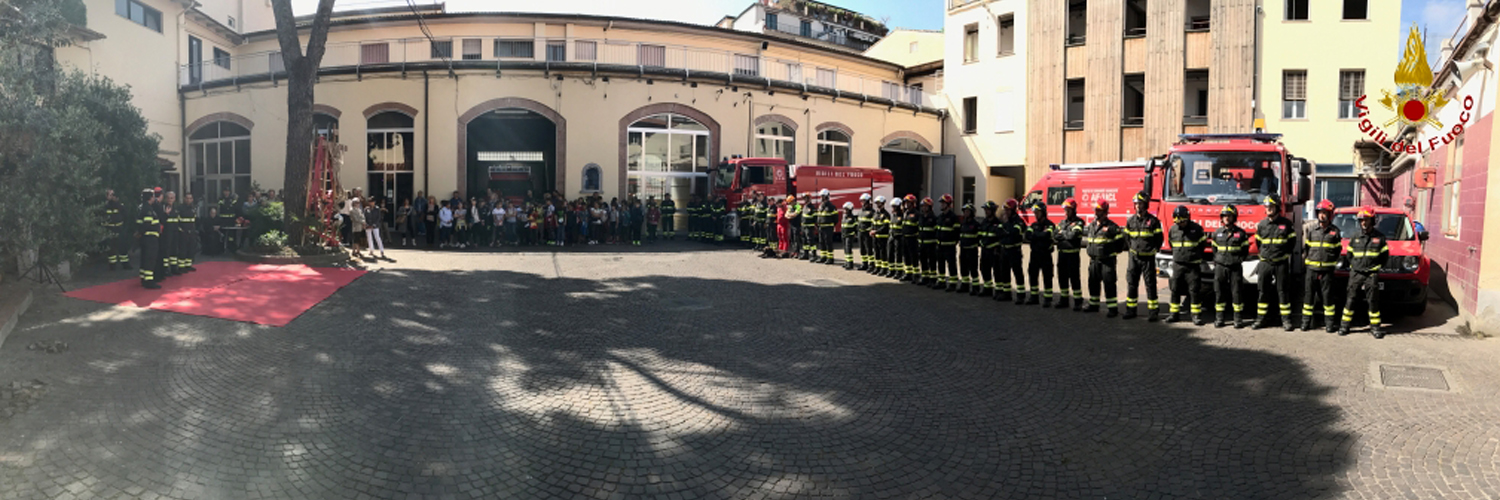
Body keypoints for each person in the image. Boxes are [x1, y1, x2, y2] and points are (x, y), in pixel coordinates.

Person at [1341, 207, 1390, 338]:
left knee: (1373, 301)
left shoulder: (1380, 238)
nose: (1363, 222)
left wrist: (1375, 268)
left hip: (1371, 274)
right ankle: (1344, 326)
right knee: (1350, 299)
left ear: (1372, 220)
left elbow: (1384, 257)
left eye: (1366, 220)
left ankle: (1375, 328)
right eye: (1361, 220)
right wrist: (1355, 266)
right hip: (1356, 273)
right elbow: (1349, 255)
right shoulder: (1355, 237)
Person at [1253, 194, 1297, 331]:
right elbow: (1258, 243)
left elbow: (1292, 242)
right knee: (1262, 292)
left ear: (1277, 207)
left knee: (1283, 291)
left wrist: (1284, 255)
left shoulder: (1286, 224)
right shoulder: (1261, 225)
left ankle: (1286, 321)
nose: (1269, 209)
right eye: (1267, 207)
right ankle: (1260, 319)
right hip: (1265, 263)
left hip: (1280, 263)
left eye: (1271, 207)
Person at [1303, 199, 1344, 332]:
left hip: (1327, 271)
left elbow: (1338, 251)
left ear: (1330, 214)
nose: (1322, 215)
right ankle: (1306, 323)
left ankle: (1329, 324)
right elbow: (1306, 249)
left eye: (1325, 212)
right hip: (1312, 270)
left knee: (1328, 298)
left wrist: (1330, 263)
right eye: (1320, 212)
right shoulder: (1312, 230)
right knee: (1309, 297)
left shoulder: (1335, 232)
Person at [1123, 191, 1163, 321]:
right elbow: (1127, 238)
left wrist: (1152, 250)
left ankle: (1153, 312)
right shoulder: (1130, 221)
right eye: (1136, 204)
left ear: (1145, 204)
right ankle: (1130, 310)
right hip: (1134, 258)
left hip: (1148, 259)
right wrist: (1133, 250)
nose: (1137, 206)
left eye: (1140, 203)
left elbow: (1159, 239)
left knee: (1150, 284)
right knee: (1132, 283)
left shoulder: (1153, 221)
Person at [1166, 205, 1208, 325]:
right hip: (1178, 265)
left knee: (1194, 290)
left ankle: (1196, 316)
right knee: (1175, 290)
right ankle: (1174, 314)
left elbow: (1202, 245)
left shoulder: (1197, 229)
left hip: (1192, 266)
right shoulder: (1173, 230)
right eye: (1178, 221)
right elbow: (1171, 244)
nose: (1180, 224)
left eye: (1182, 221)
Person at [1211, 205, 1251, 328]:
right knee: (1219, 292)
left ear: (1234, 217)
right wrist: (1219, 260)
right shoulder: (1217, 233)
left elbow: (1245, 250)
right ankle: (1219, 318)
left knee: (1237, 292)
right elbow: (1214, 249)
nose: (1226, 218)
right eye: (1224, 216)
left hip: (1235, 267)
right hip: (1220, 267)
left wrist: (1238, 260)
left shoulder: (1241, 233)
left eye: (1229, 216)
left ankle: (1238, 319)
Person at [1084, 200, 1125, 317]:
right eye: (1095, 210)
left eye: (1099, 211)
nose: (1096, 213)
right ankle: (1094, 304)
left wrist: (1112, 251)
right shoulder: (1092, 225)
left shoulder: (1112, 227)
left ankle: (1112, 309)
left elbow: (1121, 242)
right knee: (1093, 283)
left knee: (1109, 284)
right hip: (1094, 260)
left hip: (1107, 261)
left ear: (1105, 212)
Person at [1054, 199, 1085, 310]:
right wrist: (1064, 234)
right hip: (1062, 255)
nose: (1066, 212)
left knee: (1074, 279)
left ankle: (1078, 301)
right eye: (1065, 210)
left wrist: (1062, 233)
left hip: (1073, 256)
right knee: (1062, 278)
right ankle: (1064, 300)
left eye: (1068, 210)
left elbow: (1073, 236)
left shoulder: (1079, 222)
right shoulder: (1062, 223)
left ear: (1073, 210)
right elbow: (1055, 236)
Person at [1024, 202, 1057, 306]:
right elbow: (1027, 236)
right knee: (1032, 275)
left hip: (1045, 254)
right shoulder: (1033, 225)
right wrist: (1039, 235)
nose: (1036, 215)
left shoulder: (1050, 225)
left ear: (1043, 212)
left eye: (1037, 212)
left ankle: (1048, 299)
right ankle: (1034, 297)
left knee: (1047, 276)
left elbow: (1047, 235)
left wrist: (1035, 235)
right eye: (1035, 213)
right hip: (1034, 254)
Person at [996, 199, 1026, 303]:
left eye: (1008, 210)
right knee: (1004, 272)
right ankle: (1006, 293)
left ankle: (1021, 295)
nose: (1006, 212)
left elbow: (1014, 232)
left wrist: (1005, 229)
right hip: (1004, 250)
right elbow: (998, 232)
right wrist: (1005, 229)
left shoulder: (1019, 221)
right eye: (1005, 210)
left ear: (1013, 210)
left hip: (1014, 251)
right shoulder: (1004, 221)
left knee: (1017, 273)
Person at [135, 189, 162, 289]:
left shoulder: (142, 207)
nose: (154, 198)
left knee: (144, 258)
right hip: (150, 238)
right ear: (150, 197)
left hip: (146, 238)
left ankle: (144, 277)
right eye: (153, 196)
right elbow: (146, 224)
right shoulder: (148, 210)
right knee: (150, 259)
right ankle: (149, 280)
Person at [935, 195, 961, 291]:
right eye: (941, 203)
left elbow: (957, 232)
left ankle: (953, 284)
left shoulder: (953, 217)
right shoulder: (940, 217)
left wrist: (954, 242)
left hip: (949, 246)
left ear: (948, 204)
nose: (941, 205)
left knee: (951, 265)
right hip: (940, 245)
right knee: (940, 264)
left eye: (943, 203)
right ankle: (941, 282)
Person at [979, 201, 1002, 298]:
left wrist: (997, 248)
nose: (986, 212)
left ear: (992, 211)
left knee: (997, 271)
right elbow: (980, 234)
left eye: (987, 210)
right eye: (985, 210)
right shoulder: (984, 222)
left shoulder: (998, 223)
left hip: (994, 251)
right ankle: (987, 288)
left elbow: (1001, 238)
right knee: (984, 269)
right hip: (985, 250)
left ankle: (998, 291)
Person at [104, 189, 131, 271]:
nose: (112, 196)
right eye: (110, 195)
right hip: (110, 229)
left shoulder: (120, 205)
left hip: (119, 229)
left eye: (113, 195)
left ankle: (125, 264)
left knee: (123, 247)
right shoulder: (105, 206)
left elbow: (126, 215)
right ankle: (112, 265)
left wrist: (116, 202)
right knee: (111, 249)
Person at [957, 203, 981, 294]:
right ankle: (965, 285)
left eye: (968, 211)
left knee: (973, 269)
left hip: (972, 250)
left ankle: (975, 287)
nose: (966, 213)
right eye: (965, 211)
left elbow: (979, 237)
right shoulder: (963, 223)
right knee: (963, 268)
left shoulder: (976, 224)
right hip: (963, 249)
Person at [900, 195, 921, 283]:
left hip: (913, 238)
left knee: (914, 257)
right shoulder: (905, 213)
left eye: (908, 202)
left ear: (912, 204)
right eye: (905, 202)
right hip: (905, 238)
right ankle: (908, 273)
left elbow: (919, 228)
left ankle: (916, 275)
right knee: (906, 256)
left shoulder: (917, 214)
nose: (906, 204)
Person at [815, 189, 837, 265]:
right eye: (821, 196)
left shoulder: (831, 207)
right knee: (821, 242)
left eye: (822, 196)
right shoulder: (821, 205)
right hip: (821, 227)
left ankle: (830, 258)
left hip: (828, 228)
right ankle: (823, 257)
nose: (821, 197)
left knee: (828, 243)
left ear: (826, 196)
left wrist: (831, 225)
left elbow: (835, 218)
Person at [160, 191, 180, 276]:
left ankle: (174, 267)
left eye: (172, 198)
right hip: (166, 232)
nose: (170, 200)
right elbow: (162, 220)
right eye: (168, 198)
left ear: (174, 199)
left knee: (174, 250)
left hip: (175, 232)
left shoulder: (176, 208)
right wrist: (166, 214)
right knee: (166, 251)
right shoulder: (163, 207)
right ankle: (165, 269)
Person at [178, 193, 199, 272]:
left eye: (190, 198)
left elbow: (194, 220)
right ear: (184, 199)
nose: (188, 200)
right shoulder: (180, 208)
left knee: (191, 249)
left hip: (192, 232)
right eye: (187, 198)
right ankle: (181, 266)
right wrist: (181, 230)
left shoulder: (193, 208)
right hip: (183, 232)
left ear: (192, 199)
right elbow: (178, 221)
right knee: (183, 249)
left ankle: (188, 265)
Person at [870, 196, 890, 277]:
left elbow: (885, 226)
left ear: (883, 204)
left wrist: (876, 231)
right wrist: (871, 230)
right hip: (875, 237)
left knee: (883, 253)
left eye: (879, 203)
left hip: (883, 237)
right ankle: (877, 267)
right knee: (876, 252)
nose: (878, 205)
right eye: (877, 203)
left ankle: (884, 268)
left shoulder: (886, 214)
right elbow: (872, 223)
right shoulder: (875, 214)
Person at [855, 194, 874, 271]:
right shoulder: (860, 212)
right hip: (860, 233)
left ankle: (872, 265)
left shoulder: (872, 212)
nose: (862, 203)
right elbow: (858, 222)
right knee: (862, 249)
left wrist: (870, 230)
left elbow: (874, 224)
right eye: (861, 201)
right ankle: (864, 264)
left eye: (864, 201)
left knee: (869, 249)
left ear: (868, 202)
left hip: (867, 234)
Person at [840, 202, 858, 269]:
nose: (844, 211)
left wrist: (855, 234)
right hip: (844, 235)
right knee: (845, 249)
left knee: (848, 249)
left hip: (849, 236)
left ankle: (850, 264)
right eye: (844, 209)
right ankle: (847, 262)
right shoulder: (845, 217)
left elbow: (856, 227)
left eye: (846, 209)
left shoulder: (852, 218)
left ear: (850, 209)